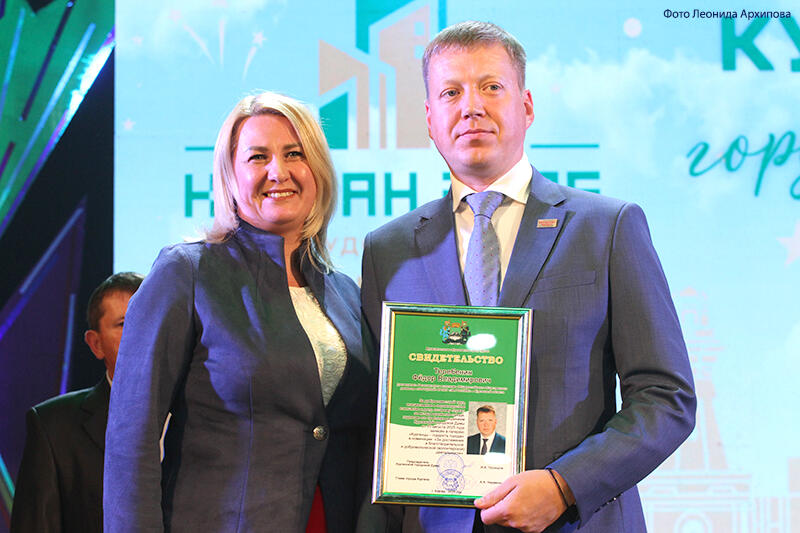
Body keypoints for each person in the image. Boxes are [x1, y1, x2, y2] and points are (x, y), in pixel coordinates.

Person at [360, 21, 696, 532]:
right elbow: (376, 425)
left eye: (491, 86)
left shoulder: (607, 227)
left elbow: (665, 396)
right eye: (451, 93)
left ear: (527, 106)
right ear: (430, 119)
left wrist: (564, 485)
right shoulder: (388, 249)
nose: (471, 107)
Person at [103, 92, 374, 532]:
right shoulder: (186, 273)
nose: (278, 171)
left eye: (294, 154)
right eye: (257, 157)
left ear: (318, 170)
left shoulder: (345, 293)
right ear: (230, 175)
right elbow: (130, 441)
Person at [10, 272, 144, 533]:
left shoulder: (205, 414)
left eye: (152, 318)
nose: (142, 332)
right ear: (96, 344)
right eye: (124, 323)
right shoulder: (53, 426)